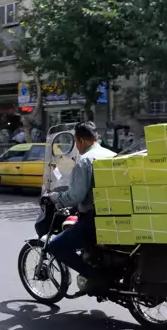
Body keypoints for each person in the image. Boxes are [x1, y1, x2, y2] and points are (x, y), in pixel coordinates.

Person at [44, 122, 117, 293]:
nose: (76, 146)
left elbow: (76, 196)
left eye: (76, 142)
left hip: (94, 220)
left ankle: (95, 276)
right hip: (116, 217)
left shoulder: (85, 161)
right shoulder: (113, 155)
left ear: (81, 140)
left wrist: (55, 198)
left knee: (56, 246)